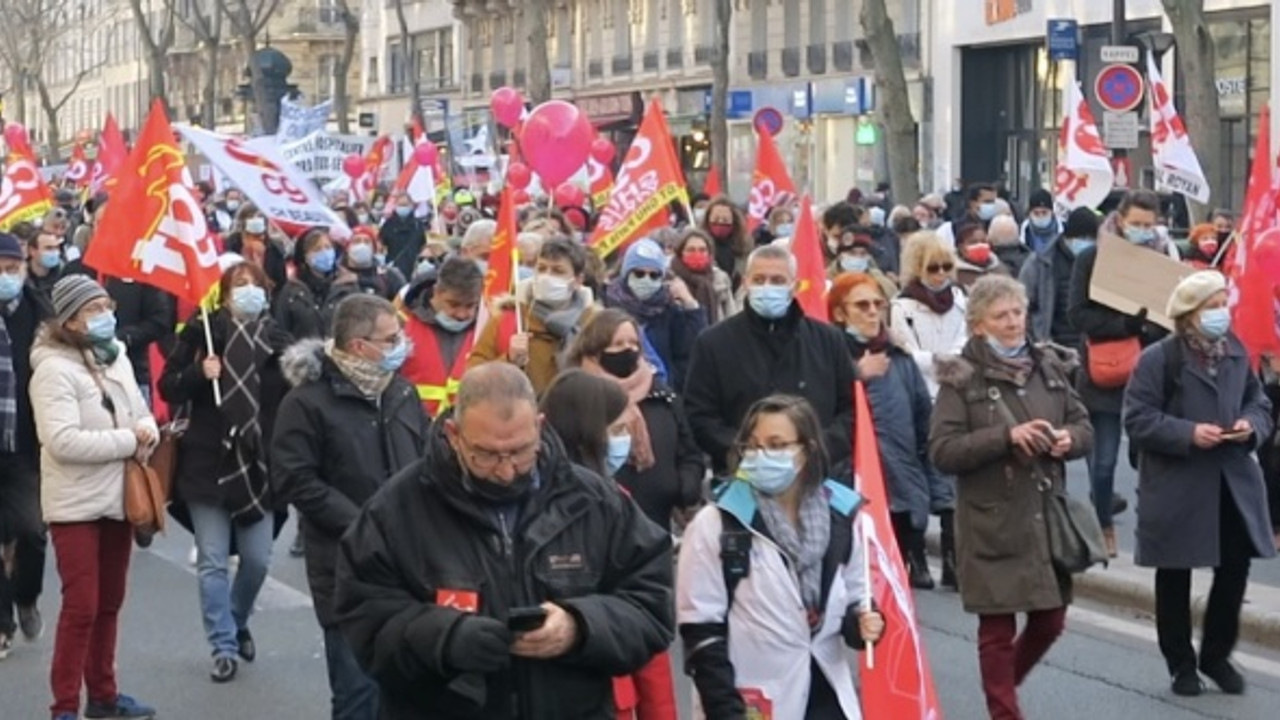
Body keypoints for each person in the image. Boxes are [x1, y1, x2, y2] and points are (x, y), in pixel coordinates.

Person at [333, 363, 674, 719]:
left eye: (521, 451)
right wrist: (444, 638)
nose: (506, 470)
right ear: (453, 434)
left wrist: (580, 625)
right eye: (486, 454)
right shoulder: (396, 510)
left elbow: (651, 602)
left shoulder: (596, 501)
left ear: (540, 428)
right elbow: (364, 619)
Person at [929, 275, 1092, 720]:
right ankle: (1004, 711)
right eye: (1000, 315)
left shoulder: (1049, 366)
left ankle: (1002, 687)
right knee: (996, 628)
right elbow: (943, 451)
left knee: (1050, 620)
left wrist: (1066, 440)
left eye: (1017, 312)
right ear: (979, 325)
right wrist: (1005, 436)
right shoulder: (961, 378)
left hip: (1043, 515)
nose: (1012, 322)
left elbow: (1084, 426)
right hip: (992, 519)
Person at [678, 394, 884, 719]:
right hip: (749, 699)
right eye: (753, 446)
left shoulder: (841, 516)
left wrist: (865, 624)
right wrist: (725, 709)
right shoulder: (719, 523)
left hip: (825, 693)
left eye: (776, 445)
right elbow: (700, 628)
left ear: (807, 450)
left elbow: (857, 598)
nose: (762, 456)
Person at [272, 294, 428, 720]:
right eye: (391, 338)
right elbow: (295, 479)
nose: (402, 344)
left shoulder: (400, 392)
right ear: (360, 345)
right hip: (347, 567)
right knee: (358, 694)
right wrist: (365, 524)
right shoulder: (307, 403)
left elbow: (426, 462)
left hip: (410, 567)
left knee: (404, 694)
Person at [1122, 271, 1276, 697]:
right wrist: (1187, 433)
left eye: (1223, 302)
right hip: (1179, 482)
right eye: (1213, 304)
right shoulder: (1160, 358)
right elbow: (1137, 419)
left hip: (1231, 479)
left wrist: (1251, 426)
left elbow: (1258, 401)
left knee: (1234, 568)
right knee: (1175, 572)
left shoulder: (1235, 351)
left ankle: (1216, 654)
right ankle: (1180, 663)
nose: (1221, 312)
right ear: (1190, 313)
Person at [30, 276, 159, 720]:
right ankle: (64, 706)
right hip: (75, 502)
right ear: (70, 320)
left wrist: (149, 432)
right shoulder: (51, 368)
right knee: (81, 606)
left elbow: (142, 412)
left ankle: (103, 695)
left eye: (107, 305)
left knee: (110, 602)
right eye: (94, 309)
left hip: (120, 497)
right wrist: (129, 440)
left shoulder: (117, 355)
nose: (106, 315)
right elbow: (61, 440)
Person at [159, 262, 292, 683]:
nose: (248, 291)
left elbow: (300, 393)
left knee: (256, 560)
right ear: (225, 293)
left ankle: (235, 620)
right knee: (213, 561)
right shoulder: (203, 332)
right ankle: (223, 645)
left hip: (259, 464)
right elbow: (169, 386)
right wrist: (200, 373)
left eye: (255, 284)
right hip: (207, 462)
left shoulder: (277, 340)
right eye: (239, 285)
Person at [539, 369, 680, 720]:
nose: (625, 442)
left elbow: (646, 626)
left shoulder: (616, 502)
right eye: (616, 431)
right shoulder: (558, 510)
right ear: (584, 433)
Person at [828, 272, 955, 589]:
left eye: (877, 304)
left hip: (901, 487)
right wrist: (856, 376)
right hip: (848, 490)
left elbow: (924, 427)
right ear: (840, 313)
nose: (872, 312)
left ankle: (914, 556)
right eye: (861, 305)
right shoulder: (827, 358)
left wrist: (943, 501)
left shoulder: (899, 360)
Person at [684, 244, 855, 475]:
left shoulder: (828, 340)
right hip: (740, 477)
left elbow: (850, 410)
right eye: (759, 279)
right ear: (745, 283)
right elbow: (699, 415)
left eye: (777, 281)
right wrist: (748, 453)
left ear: (794, 286)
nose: (767, 287)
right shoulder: (713, 343)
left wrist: (813, 451)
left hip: (817, 475)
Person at [1069, 189, 1171, 554]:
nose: (1143, 230)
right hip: (1107, 374)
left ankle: (1152, 528)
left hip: (1151, 375)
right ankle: (1104, 526)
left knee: (1151, 460)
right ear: (1121, 221)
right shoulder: (1094, 259)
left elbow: (1171, 317)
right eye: (1136, 224)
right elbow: (1078, 314)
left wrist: (1152, 327)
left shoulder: (1162, 260)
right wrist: (1126, 325)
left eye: (1149, 224)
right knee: (1104, 460)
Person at [567, 308, 706, 530]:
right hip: (594, 522)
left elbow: (689, 453)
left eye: (633, 343)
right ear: (595, 350)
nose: (627, 350)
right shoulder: (573, 398)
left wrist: (684, 487)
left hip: (656, 521)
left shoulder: (663, 397)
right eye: (618, 344)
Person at [0, 233, 53, 658]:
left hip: (25, 444)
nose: (6, 276)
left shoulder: (39, 313)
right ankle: (2, 624)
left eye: (12, 268)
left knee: (32, 532)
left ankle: (26, 595)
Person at [467, 237, 598, 395]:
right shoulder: (507, 319)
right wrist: (508, 359)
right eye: (542, 268)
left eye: (558, 271)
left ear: (577, 280)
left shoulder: (593, 325)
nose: (547, 276)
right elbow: (472, 377)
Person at [604, 238, 707, 391]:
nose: (646, 280)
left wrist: (691, 305)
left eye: (654, 275)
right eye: (639, 274)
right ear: (626, 274)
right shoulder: (607, 305)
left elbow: (690, 352)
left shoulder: (670, 309)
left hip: (661, 394)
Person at [400, 257, 484, 418]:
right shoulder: (403, 323)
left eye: (470, 306)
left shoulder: (485, 328)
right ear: (437, 292)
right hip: (415, 426)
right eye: (453, 304)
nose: (461, 315)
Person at [890, 232, 969, 399]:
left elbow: (966, 338)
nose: (941, 273)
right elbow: (907, 352)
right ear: (918, 268)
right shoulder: (902, 307)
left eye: (947, 266)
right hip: (923, 390)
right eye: (933, 268)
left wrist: (953, 358)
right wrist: (938, 360)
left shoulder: (961, 300)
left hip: (961, 386)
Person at [1020, 207, 1097, 348]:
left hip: (1091, 346)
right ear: (1067, 237)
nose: (1085, 242)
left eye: (1090, 239)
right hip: (1053, 346)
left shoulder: (1099, 261)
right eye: (1080, 238)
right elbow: (1023, 302)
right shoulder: (1041, 262)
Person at [274, 228, 344, 341]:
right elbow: (282, 330)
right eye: (317, 249)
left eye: (328, 247)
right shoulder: (291, 291)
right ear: (306, 256)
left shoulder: (345, 287)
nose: (324, 252)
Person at [669, 229, 738, 323]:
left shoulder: (720, 278)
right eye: (691, 250)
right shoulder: (671, 280)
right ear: (681, 253)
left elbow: (731, 316)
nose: (697, 254)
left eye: (702, 250)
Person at [223, 204, 289, 294]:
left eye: (259, 217)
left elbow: (281, 282)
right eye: (251, 217)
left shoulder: (274, 249)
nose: (256, 219)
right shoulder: (231, 244)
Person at [827, 229, 898, 301]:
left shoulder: (881, 283)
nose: (857, 258)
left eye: (863, 254)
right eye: (852, 253)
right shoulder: (826, 280)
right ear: (840, 255)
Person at [339, 227, 406, 301]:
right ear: (348, 248)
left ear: (373, 250)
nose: (362, 245)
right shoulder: (336, 275)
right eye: (357, 241)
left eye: (367, 242)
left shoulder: (390, 277)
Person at [700, 196, 751, 288]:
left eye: (725, 219)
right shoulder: (700, 247)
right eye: (716, 218)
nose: (720, 222)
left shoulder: (744, 248)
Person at [378, 192, 425, 279]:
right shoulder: (388, 224)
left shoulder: (418, 225)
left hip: (413, 267)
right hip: (393, 266)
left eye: (405, 205)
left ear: (411, 205)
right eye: (400, 205)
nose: (403, 208)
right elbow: (381, 244)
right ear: (395, 206)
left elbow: (423, 245)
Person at [937, 182, 999, 248]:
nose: (991, 206)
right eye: (987, 202)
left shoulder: (997, 227)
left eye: (993, 202)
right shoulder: (950, 229)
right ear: (972, 203)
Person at [954, 221, 1010, 290]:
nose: (980, 245)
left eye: (983, 241)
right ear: (961, 248)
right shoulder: (955, 275)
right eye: (973, 242)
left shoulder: (999, 269)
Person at [1020, 189, 1062, 255]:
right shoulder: (1026, 229)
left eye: (1044, 212)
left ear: (1051, 212)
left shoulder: (1061, 227)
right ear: (1030, 213)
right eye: (1036, 213)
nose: (1041, 216)